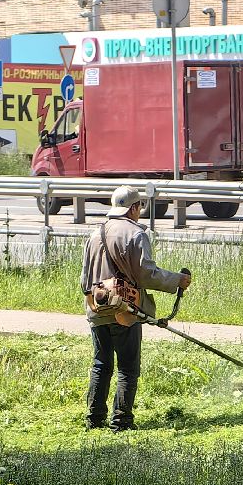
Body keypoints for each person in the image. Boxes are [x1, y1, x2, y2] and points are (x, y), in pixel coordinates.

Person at [79, 185, 191, 432]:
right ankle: (121, 422)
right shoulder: (135, 235)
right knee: (128, 368)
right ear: (134, 208)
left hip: (98, 308)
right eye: (140, 206)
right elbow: (147, 275)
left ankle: (94, 420)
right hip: (126, 311)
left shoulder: (95, 234)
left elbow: (85, 281)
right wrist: (177, 280)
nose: (140, 211)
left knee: (101, 365)